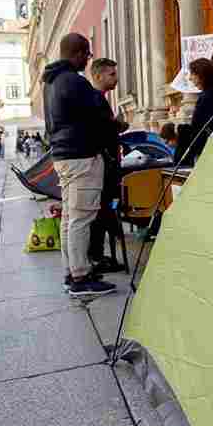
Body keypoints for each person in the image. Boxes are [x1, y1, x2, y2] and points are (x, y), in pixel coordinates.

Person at [43, 32, 117, 298]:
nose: (88, 59)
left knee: (70, 217)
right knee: (81, 217)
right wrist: (114, 128)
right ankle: (81, 277)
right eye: (86, 54)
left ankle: (71, 270)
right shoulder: (75, 82)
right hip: (82, 155)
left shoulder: (51, 82)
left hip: (63, 155)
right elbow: (98, 119)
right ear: (77, 53)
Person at [87, 58, 128, 274]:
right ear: (98, 76)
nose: (116, 78)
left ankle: (99, 255)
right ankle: (96, 256)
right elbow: (102, 130)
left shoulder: (99, 99)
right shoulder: (95, 99)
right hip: (105, 166)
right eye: (111, 74)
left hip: (109, 164)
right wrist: (118, 125)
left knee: (106, 210)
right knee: (103, 211)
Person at [177, 58, 213, 166]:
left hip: (206, 153)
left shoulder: (206, 98)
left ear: (201, 75)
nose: (190, 78)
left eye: (192, 74)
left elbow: (199, 131)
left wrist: (180, 129)